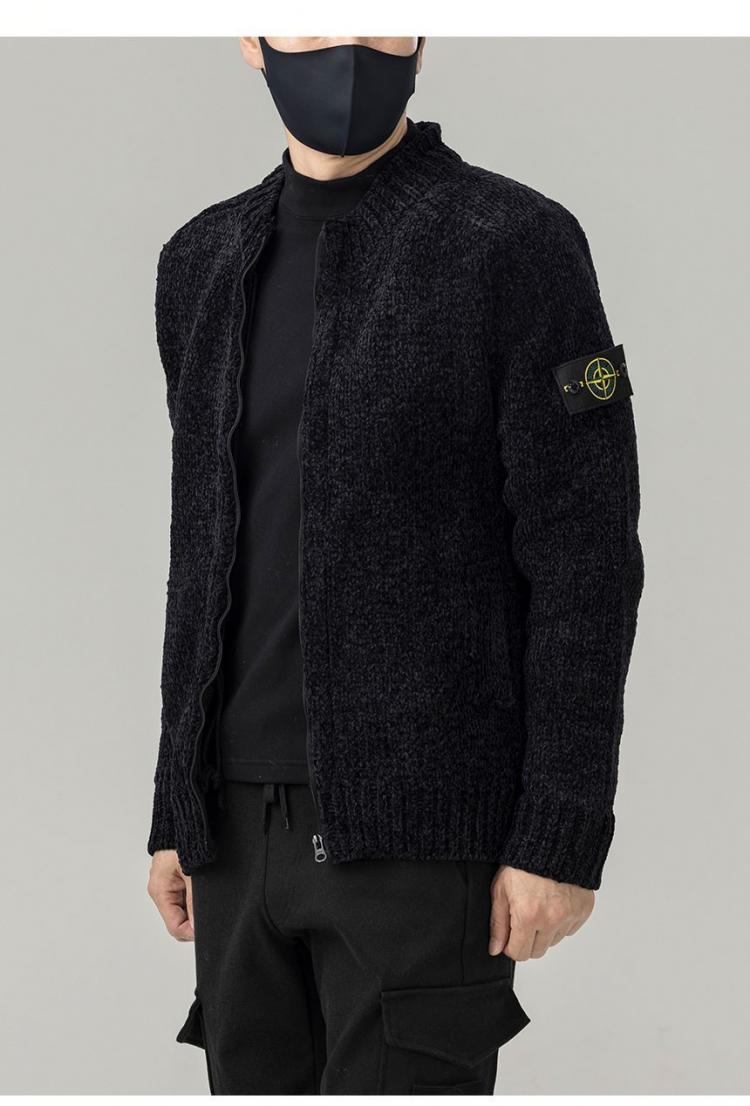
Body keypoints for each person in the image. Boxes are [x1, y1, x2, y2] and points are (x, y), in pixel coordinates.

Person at [146, 36, 643, 1095]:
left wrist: (561, 832)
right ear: (252, 38)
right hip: (232, 828)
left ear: (421, 39)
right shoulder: (201, 260)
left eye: (383, 21)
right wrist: (173, 805)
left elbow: (586, 558)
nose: (351, 47)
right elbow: (203, 552)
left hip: (421, 834)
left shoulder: (515, 244)